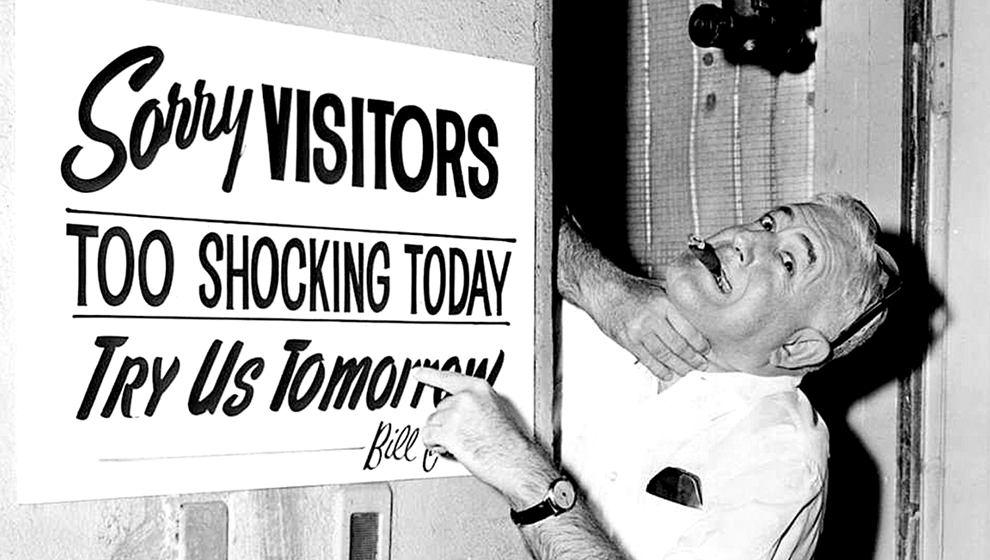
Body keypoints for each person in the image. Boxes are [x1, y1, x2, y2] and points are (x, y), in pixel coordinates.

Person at [412, 192, 898, 560]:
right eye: (768, 223)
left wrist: (522, 473)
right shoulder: (621, 316)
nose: (745, 239)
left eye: (787, 261)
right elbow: (500, 193)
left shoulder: (783, 460)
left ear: (795, 348)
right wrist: (599, 284)